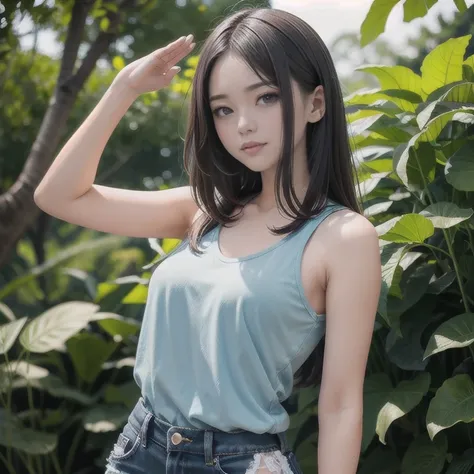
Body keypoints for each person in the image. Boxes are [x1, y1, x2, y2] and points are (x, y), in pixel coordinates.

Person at [34, 7, 382, 474]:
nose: (243, 124)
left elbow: (340, 405)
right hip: (141, 449)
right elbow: (57, 196)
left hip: (240, 462)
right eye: (223, 108)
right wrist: (125, 88)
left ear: (316, 104)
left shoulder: (343, 238)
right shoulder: (206, 209)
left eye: (266, 98)